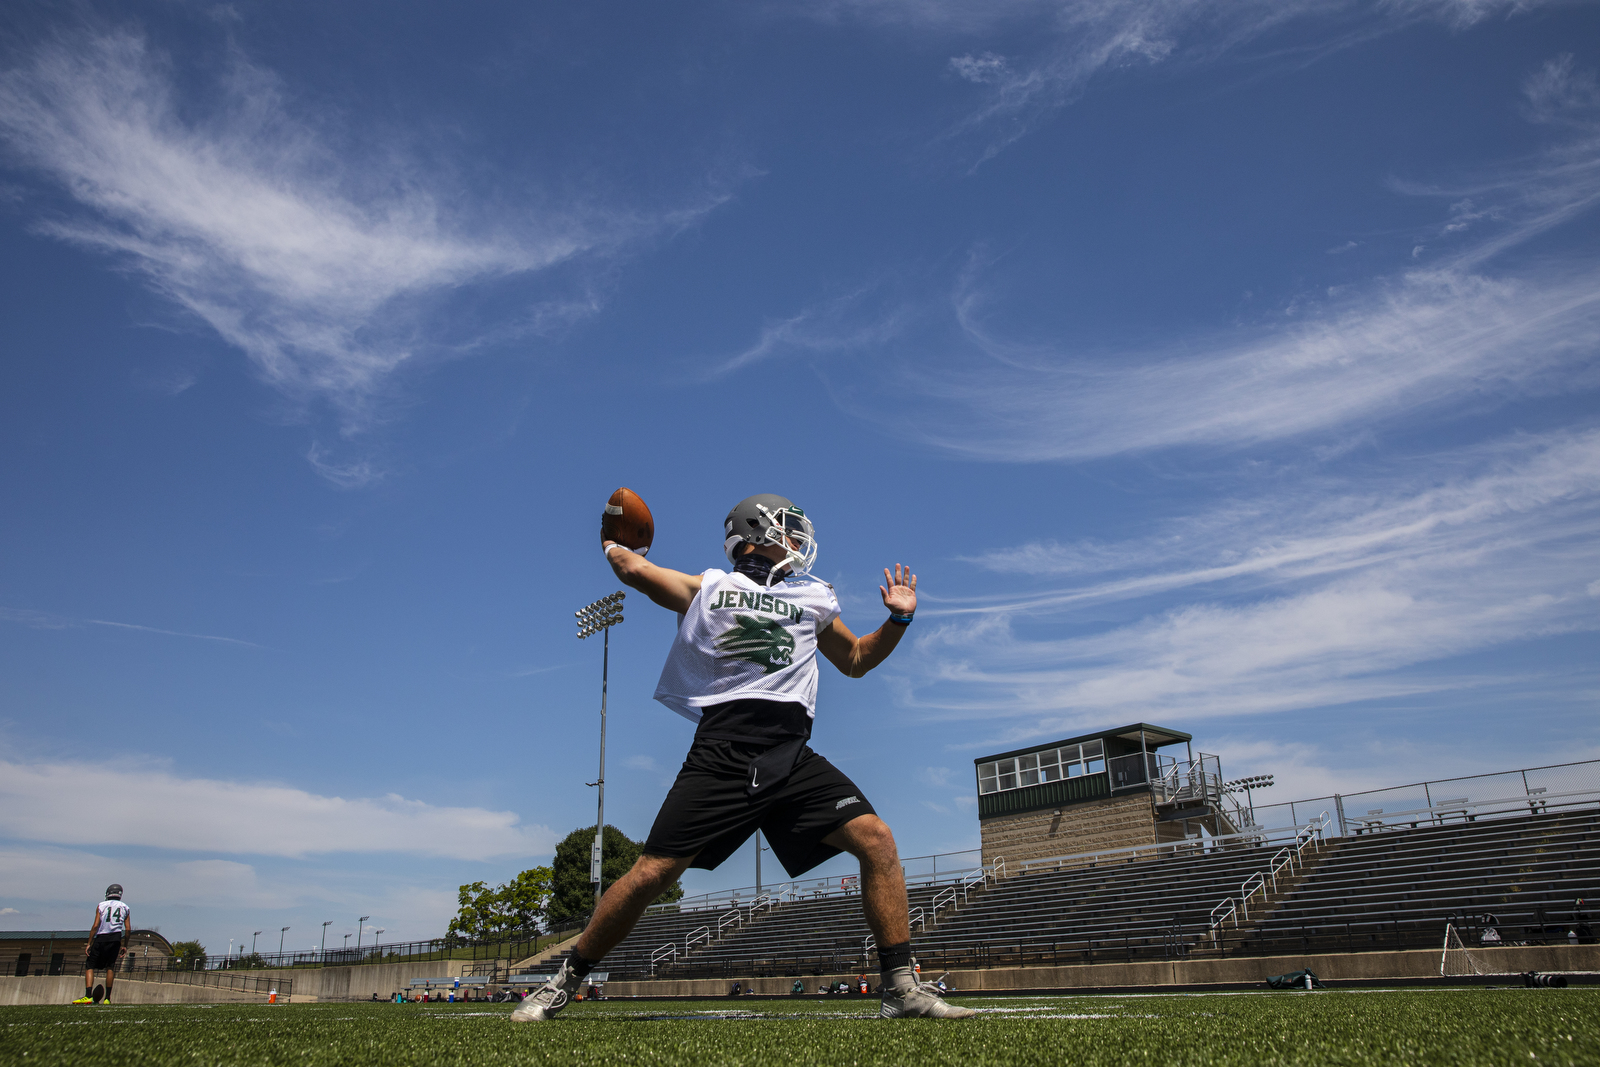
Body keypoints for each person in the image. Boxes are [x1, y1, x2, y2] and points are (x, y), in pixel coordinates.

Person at [512, 495, 972, 1022]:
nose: (800, 541)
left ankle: (901, 987)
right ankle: (564, 980)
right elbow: (634, 571)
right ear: (759, 530)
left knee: (877, 839)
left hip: (790, 753)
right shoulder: (711, 585)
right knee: (649, 875)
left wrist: (897, 620)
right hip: (723, 750)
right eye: (791, 530)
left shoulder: (813, 596)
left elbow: (857, 660)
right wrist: (615, 541)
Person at [75, 884, 130, 1005]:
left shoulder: (101, 905)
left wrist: (89, 943)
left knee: (90, 966)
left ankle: (88, 995)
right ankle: (107, 998)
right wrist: (125, 944)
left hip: (102, 936)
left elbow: (95, 925)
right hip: (116, 937)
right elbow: (128, 928)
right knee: (110, 967)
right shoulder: (125, 907)